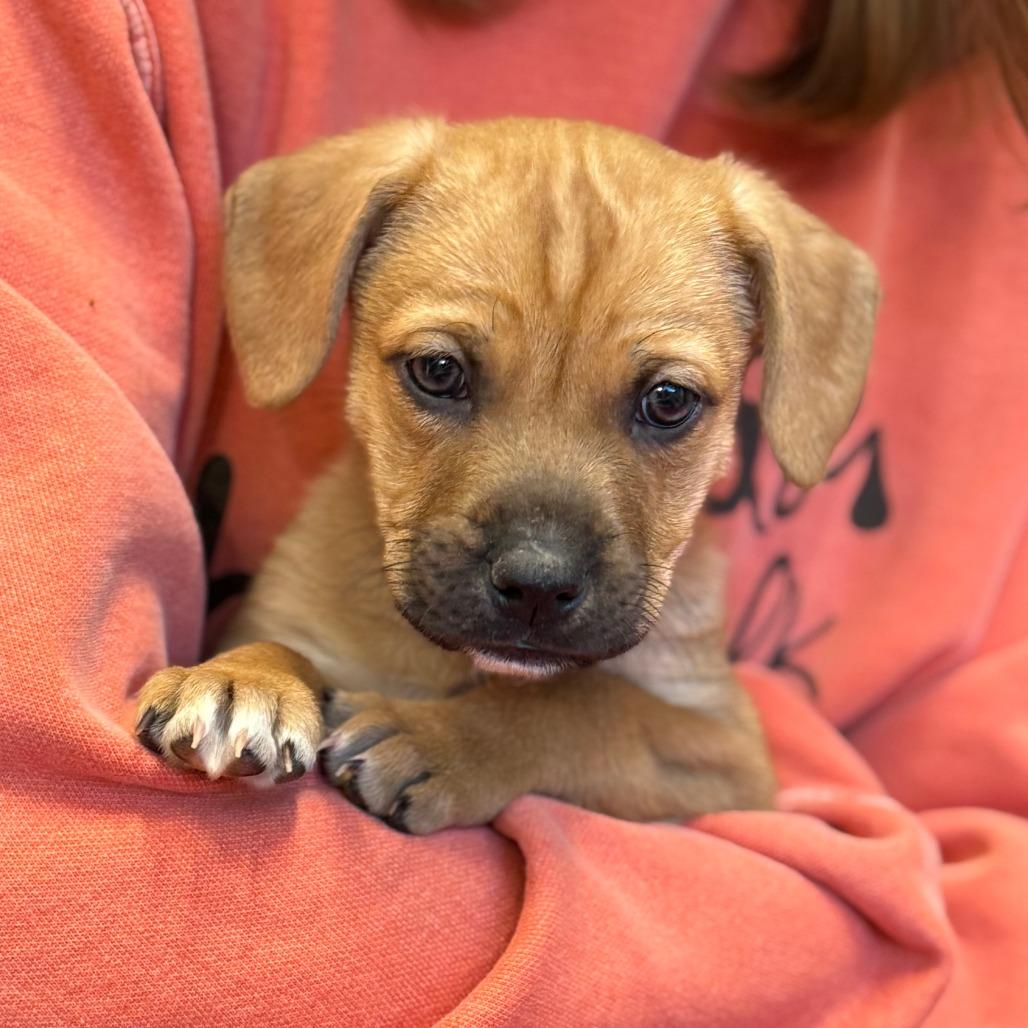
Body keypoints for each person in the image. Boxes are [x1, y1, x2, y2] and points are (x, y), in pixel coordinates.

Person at [2, 1, 1026, 1024]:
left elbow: (718, 765)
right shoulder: (325, 562)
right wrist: (255, 677)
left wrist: (506, 743)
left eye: (662, 404)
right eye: (441, 374)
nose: (539, 557)